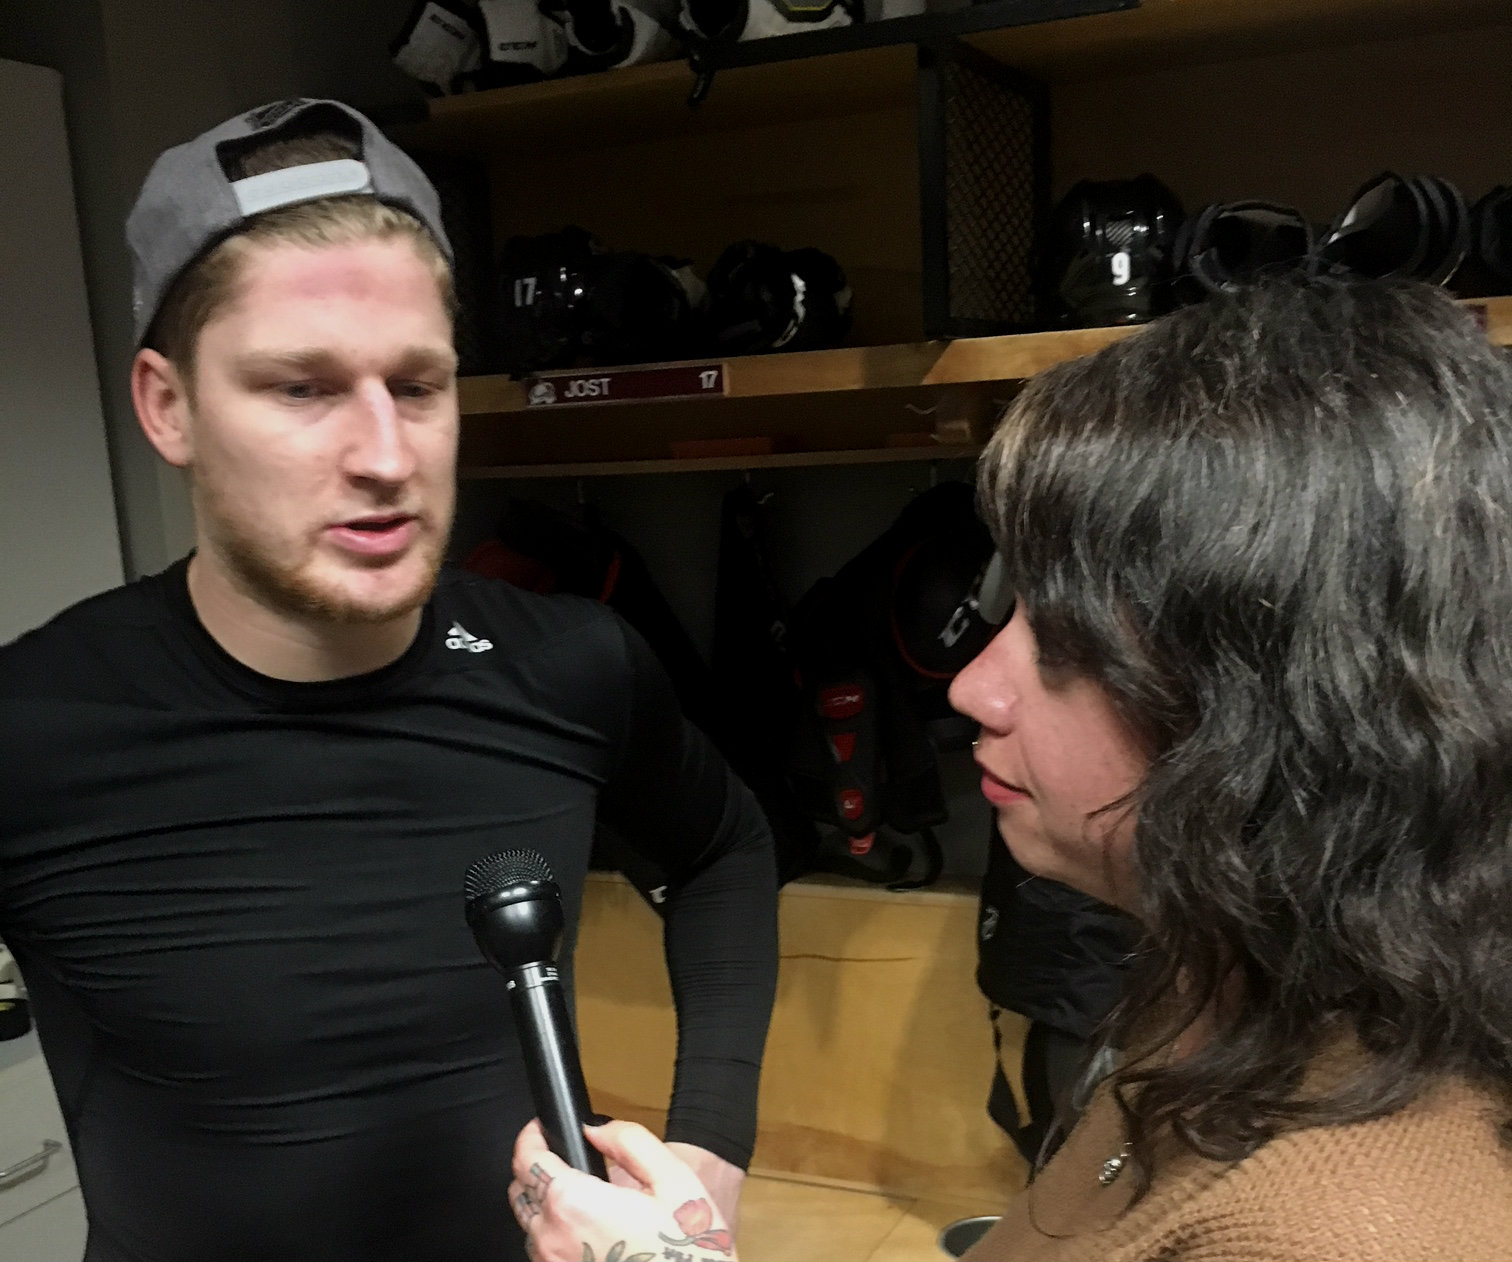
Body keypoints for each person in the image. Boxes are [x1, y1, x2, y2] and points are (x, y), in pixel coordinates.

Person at [506, 276, 1512, 1262]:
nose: (973, 686)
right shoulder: (1225, 983)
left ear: (1293, 704)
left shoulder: (1330, 1230)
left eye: (1068, 643)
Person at [0, 98, 779, 1262]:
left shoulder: (570, 664)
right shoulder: (36, 725)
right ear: (168, 405)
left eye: (417, 385)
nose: (384, 454)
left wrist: (714, 1140)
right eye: (300, 388)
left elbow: (724, 847)